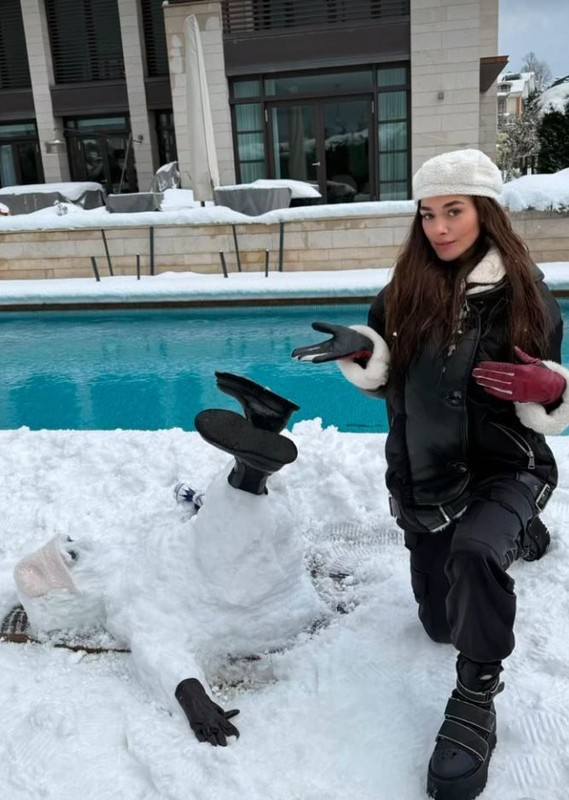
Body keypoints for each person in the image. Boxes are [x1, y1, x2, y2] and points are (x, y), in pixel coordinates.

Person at [292, 148, 569, 800]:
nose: (439, 227)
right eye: (428, 214)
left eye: (453, 211)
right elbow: (385, 379)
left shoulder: (524, 294)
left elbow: (544, 403)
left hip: (505, 464)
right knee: (439, 623)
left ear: (485, 213)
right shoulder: (399, 294)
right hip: (426, 475)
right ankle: (521, 538)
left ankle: (474, 698)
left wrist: (547, 387)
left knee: (475, 554)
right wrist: (364, 352)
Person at [13, 372, 322, 748]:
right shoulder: (129, 607)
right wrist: (194, 700)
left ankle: (263, 429)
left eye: (73, 541)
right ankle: (252, 469)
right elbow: (160, 652)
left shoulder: (129, 564)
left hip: (256, 555)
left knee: (217, 523)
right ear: (77, 591)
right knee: (224, 537)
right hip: (249, 593)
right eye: (74, 555)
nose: (85, 543)